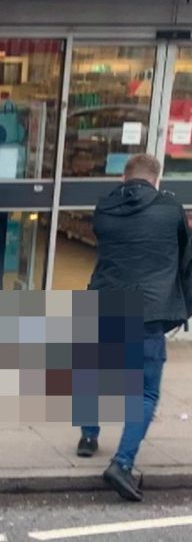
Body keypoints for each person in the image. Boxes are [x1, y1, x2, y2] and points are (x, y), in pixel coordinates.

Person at [75, 153, 192, 501]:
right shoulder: (170, 210)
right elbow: (184, 255)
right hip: (147, 311)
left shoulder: (104, 209)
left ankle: (88, 437)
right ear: (156, 181)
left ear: (124, 179)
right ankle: (122, 463)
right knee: (144, 391)